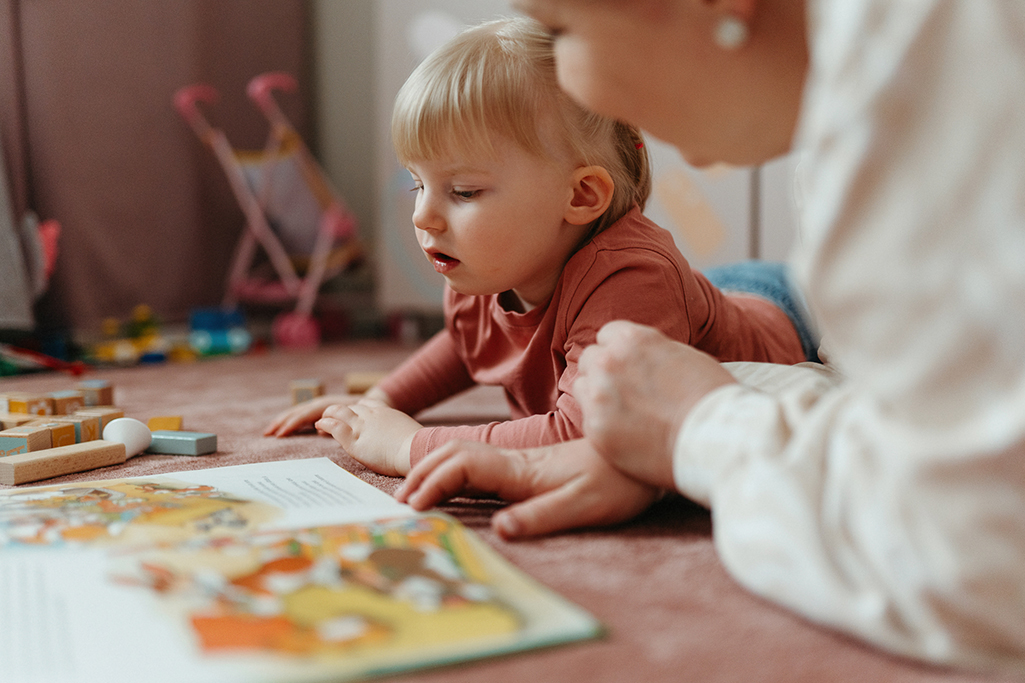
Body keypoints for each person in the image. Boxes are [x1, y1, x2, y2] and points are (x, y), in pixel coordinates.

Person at [394, 0, 1025, 676]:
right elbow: (466, 344)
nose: (575, 90)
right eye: (416, 184)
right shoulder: (853, 118)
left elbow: (971, 555)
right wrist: (391, 393)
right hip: (719, 295)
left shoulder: (933, 89)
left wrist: (694, 430)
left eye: (562, 34)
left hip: (755, 309)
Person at [264, 16, 816, 477]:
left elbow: (585, 430)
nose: (423, 215)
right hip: (706, 289)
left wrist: (410, 447)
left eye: (463, 191)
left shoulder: (631, 281)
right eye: (418, 184)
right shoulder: (492, 262)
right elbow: (467, 344)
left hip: (784, 310)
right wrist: (381, 402)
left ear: (580, 195)